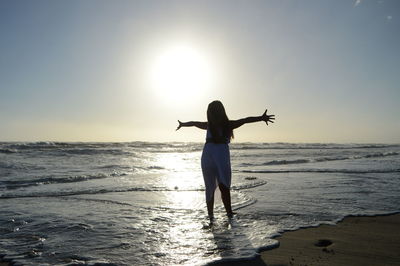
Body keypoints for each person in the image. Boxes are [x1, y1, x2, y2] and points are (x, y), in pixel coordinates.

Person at [176, 100, 275, 221]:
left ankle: (211, 215)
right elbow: (245, 120)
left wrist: (183, 124)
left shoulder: (210, 125)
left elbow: (194, 123)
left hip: (207, 154)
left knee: (210, 186)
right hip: (220, 155)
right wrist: (261, 118)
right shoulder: (226, 124)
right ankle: (228, 213)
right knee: (224, 185)